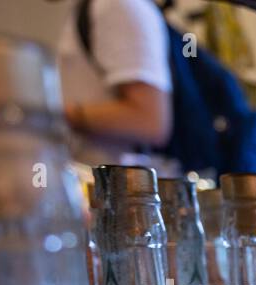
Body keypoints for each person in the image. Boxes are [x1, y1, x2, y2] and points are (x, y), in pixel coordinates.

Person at [55, 0, 173, 167]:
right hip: (106, 182)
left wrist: (52, 115)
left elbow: (149, 120)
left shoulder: (115, 5)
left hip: (118, 184)